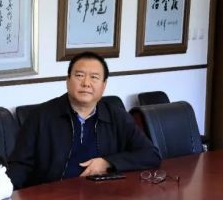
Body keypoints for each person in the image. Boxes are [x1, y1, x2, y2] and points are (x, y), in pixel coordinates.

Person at [8, 51, 161, 189]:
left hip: (102, 197)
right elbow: (20, 165)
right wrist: (2, 193)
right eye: (80, 75)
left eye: (94, 77)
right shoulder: (40, 117)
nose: (86, 83)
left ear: (104, 85)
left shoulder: (116, 115)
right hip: (53, 198)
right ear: (68, 80)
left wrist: (108, 162)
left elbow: (151, 155)